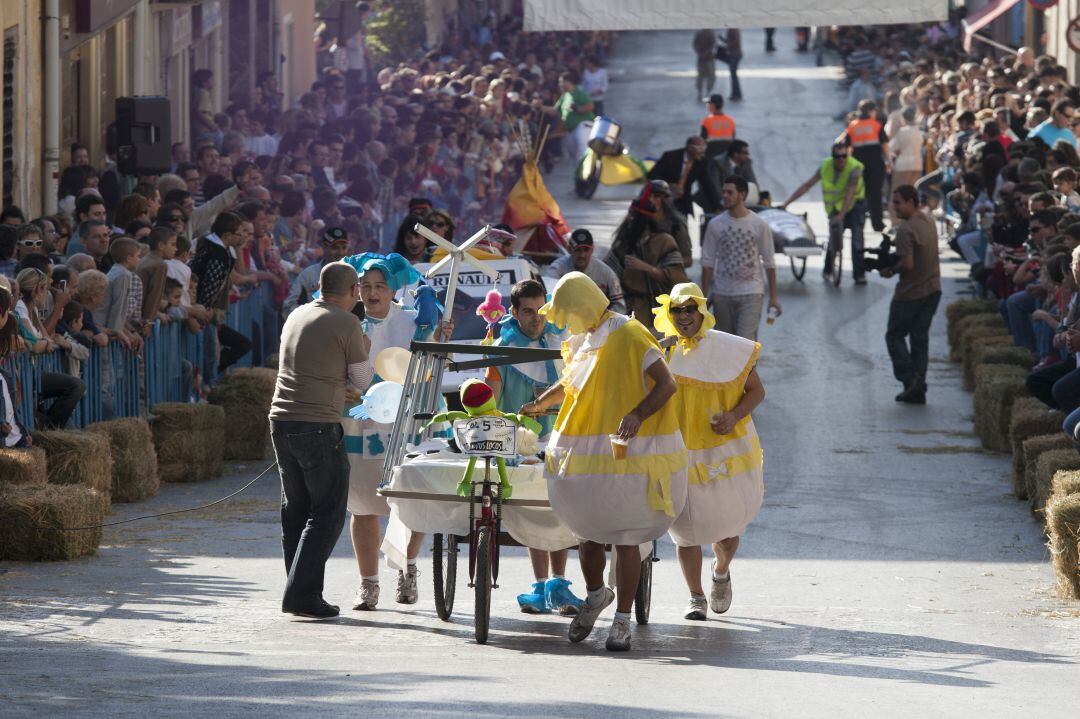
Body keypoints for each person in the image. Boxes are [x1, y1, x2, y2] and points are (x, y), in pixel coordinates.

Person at [522, 273, 687, 652]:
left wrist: (637, 414)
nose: (564, 324)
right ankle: (596, 595)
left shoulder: (629, 334)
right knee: (588, 535)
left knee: (627, 538)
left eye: (567, 314)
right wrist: (540, 404)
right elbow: (571, 383)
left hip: (632, 456)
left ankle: (622, 621)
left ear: (582, 307)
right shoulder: (586, 338)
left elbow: (667, 385)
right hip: (587, 457)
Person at [339, 253, 450, 612]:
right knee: (363, 504)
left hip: (408, 421)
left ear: (392, 290)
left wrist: (438, 335)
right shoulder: (346, 321)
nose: (371, 293)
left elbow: (431, 365)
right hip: (360, 420)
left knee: (410, 499)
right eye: (365, 286)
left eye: (379, 286)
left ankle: (406, 567)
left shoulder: (412, 322)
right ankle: (368, 583)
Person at [652, 283, 764, 620]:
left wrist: (733, 415)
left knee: (728, 533)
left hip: (724, 452)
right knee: (685, 532)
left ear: (702, 312)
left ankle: (720, 571)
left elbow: (757, 392)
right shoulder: (659, 351)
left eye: (690, 309)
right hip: (678, 451)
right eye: (677, 310)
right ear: (668, 314)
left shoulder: (729, 350)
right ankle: (695, 596)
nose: (684, 316)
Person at [270, 261, 373, 619]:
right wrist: (364, 346)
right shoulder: (347, 322)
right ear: (354, 290)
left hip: (282, 420)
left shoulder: (297, 314)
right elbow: (362, 379)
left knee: (295, 511)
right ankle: (302, 594)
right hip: (317, 424)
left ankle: (297, 587)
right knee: (327, 514)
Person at [482, 280, 582, 615]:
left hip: (560, 442)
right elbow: (489, 400)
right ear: (513, 312)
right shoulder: (501, 349)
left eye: (541, 310)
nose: (536, 318)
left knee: (559, 511)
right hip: (518, 448)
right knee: (532, 510)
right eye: (527, 311)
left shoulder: (562, 341)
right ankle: (541, 585)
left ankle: (559, 583)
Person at [880, 185, 941, 404]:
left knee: (894, 336)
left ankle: (911, 380)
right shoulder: (927, 220)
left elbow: (907, 263)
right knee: (919, 338)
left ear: (911, 202)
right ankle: (917, 388)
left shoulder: (905, 229)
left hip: (910, 293)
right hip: (933, 289)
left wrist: (890, 270)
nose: (894, 207)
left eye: (898, 203)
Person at [701, 176, 781, 341]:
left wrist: (773, 298)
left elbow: (769, 263)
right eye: (723, 192)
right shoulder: (715, 224)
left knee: (745, 344)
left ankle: (749, 368)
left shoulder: (759, 224)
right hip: (722, 294)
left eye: (730, 192)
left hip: (751, 294)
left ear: (742, 195)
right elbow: (707, 263)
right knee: (725, 345)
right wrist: (702, 298)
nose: (725, 196)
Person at [604, 186, 689, 328]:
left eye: (633, 216)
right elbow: (607, 273)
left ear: (643, 220)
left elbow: (677, 278)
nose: (629, 219)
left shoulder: (664, 241)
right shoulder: (623, 244)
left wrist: (646, 268)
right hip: (630, 314)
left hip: (659, 314)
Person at [783, 143, 867, 284]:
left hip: (855, 204)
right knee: (834, 238)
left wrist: (842, 215)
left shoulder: (855, 167)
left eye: (844, 156)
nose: (841, 159)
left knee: (857, 240)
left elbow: (851, 193)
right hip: (836, 205)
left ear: (848, 155)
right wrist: (786, 203)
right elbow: (807, 185)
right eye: (837, 156)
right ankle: (828, 269)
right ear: (832, 156)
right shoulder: (825, 166)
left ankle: (859, 275)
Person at [544, 229, 625, 313]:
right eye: (578, 250)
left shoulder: (606, 272)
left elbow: (620, 307)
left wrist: (604, 320)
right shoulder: (557, 268)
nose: (582, 255)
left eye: (586, 250)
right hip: (567, 319)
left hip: (598, 321)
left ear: (592, 250)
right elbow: (547, 296)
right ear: (569, 249)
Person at [842, 100, 892, 233]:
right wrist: (889, 163)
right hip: (875, 165)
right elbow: (885, 146)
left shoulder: (852, 126)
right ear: (870, 111)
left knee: (856, 194)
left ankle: (855, 222)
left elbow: (847, 148)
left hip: (857, 166)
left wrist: (847, 166)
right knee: (875, 195)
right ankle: (878, 224)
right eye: (874, 111)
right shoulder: (876, 125)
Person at [283, 227, 352, 316]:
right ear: (324, 246)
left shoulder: (355, 276)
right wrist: (313, 307)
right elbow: (288, 307)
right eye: (335, 248)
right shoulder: (308, 275)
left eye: (344, 248)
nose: (340, 252)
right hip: (315, 328)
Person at [647, 136, 718, 217]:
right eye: (700, 148)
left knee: (682, 225)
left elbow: (708, 185)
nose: (703, 152)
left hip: (683, 201)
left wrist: (717, 206)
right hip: (663, 198)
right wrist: (668, 186)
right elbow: (652, 175)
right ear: (690, 148)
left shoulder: (701, 162)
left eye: (704, 147)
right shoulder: (670, 157)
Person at [692, 29, 717, 102]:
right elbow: (713, 45)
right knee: (710, 76)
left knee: (700, 76)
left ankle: (700, 92)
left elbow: (694, 44)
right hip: (709, 58)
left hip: (701, 58)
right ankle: (708, 92)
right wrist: (706, 53)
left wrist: (699, 53)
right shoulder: (710, 33)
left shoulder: (699, 33)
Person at [724, 29, 743, 102]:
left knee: (733, 75)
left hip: (735, 54)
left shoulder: (733, 29)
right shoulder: (733, 29)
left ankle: (736, 94)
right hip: (735, 53)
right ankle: (735, 94)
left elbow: (735, 41)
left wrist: (728, 47)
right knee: (733, 75)